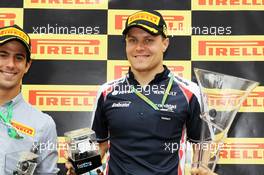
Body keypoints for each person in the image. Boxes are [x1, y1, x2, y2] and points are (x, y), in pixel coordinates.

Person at [67, 10, 217, 175]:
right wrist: (80, 167)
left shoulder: (190, 92)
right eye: (133, 40)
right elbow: (100, 145)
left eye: (149, 40)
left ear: (165, 44)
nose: (139, 47)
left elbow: (201, 144)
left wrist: (202, 170)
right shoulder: (106, 92)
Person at [0, 25, 59, 174]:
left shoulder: (43, 124)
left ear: (27, 65)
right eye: (3, 55)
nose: (10, 64)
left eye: (18, 57)